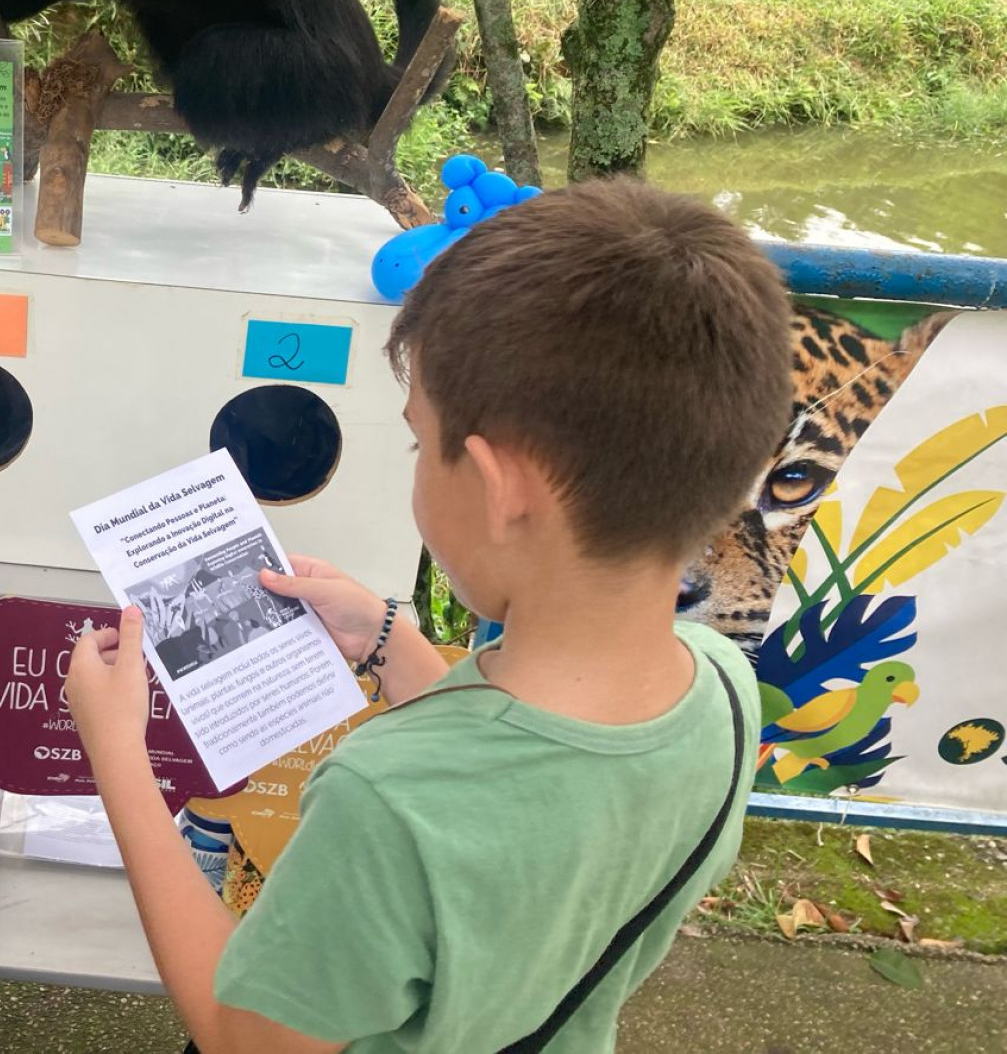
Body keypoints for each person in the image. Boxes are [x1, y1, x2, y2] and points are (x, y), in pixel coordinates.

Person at [67, 180, 789, 1053]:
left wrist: (116, 757)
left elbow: (241, 1037)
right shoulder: (720, 685)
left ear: (494, 487)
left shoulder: (385, 800)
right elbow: (534, 780)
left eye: (418, 439)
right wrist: (385, 638)